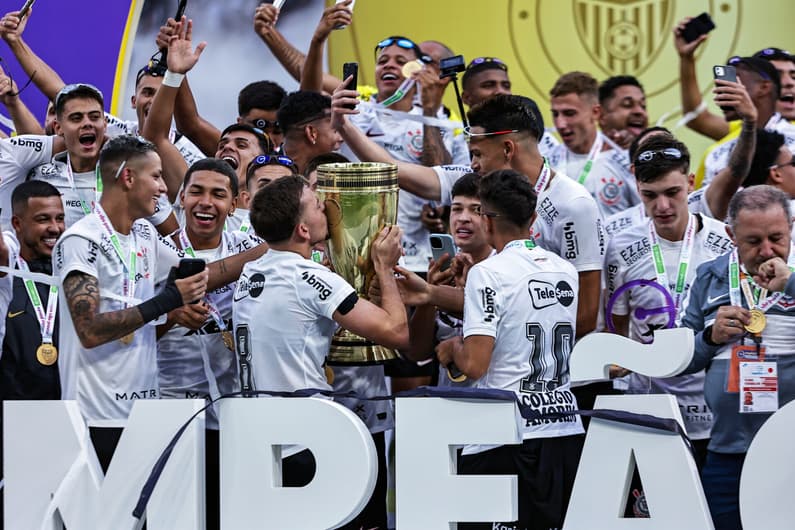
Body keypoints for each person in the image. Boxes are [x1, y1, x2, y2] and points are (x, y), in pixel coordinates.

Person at [53, 134, 265, 472]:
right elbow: (89, 330)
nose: (163, 188)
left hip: (145, 413)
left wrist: (273, 247)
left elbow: (200, 275)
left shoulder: (145, 235)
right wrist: (168, 302)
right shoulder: (82, 240)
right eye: (155, 176)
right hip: (94, 414)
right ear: (127, 177)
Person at [331, 91, 604, 339]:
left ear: (508, 149)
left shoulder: (573, 204)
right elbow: (393, 169)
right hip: (497, 360)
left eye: (477, 154)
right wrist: (345, 126)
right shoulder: (481, 181)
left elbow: (585, 315)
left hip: (562, 377)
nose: (472, 164)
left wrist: (496, 340)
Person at [233, 175, 409, 528]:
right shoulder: (310, 278)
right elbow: (396, 332)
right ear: (301, 229)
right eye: (317, 205)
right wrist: (385, 268)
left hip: (257, 436)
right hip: (308, 438)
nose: (326, 208)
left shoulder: (252, 270)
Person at [436, 169, 583, 530]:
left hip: (507, 434)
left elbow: (475, 365)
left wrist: (453, 348)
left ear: (487, 220)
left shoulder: (488, 273)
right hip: (562, 428)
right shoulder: (566, 271)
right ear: (532, 219)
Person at [605, 135, 729, 466]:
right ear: (637, 188)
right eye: (650, 195)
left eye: (672, 193)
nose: (662, 206)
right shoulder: (620, 247)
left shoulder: (725, 242)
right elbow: (617, 329)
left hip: (714, 415)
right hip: (651, 411)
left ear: (690, 183)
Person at [682, 185, 795, 530]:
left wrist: (790, 284)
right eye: (752, 241)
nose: (766, 251)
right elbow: (685, 358)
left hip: (789, 449)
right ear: (731, 234)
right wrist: (709, 337)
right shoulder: (710, 276)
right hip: (728, 449)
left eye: (776, 238)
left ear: (791, 227)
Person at [547, 71, 641, 218]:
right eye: (555, 114)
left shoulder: (623, 162)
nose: (560, 124)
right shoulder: (545, 164)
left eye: (569, 113)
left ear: (596, 112)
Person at [598, 75, 649, 150]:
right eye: (627, 105)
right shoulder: (584, 156)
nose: (639, 111)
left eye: (643, 106)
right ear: (601, 116)